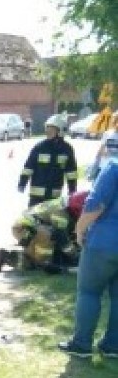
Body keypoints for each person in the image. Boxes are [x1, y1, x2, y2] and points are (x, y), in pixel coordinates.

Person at [58, 133, 118, 358]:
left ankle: (81, 343)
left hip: (104, 242)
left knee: (89, 291)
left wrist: (79, 229)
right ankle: (113, 345)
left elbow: (95, 203)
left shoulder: (113, 167)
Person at [0, 190, 89, 274]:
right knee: (43, 263)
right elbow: (61, 236)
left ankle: (30, 257)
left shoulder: (66, 204)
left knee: (54, 252)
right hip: (23, 229)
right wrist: (75, 256)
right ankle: (5, 257)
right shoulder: (61, 213)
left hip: (32, 228)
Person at [18, 114, 78, 207]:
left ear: (60, 130)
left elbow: (71, 172)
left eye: (51, 129)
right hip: (36, 196)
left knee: (50, 219)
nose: (47, 131)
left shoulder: (67, 149)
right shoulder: (39, 147)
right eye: (47, 128)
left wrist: (72, 190)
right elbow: (28, 167)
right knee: (31, 219)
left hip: (54, 195)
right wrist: (22, 183)